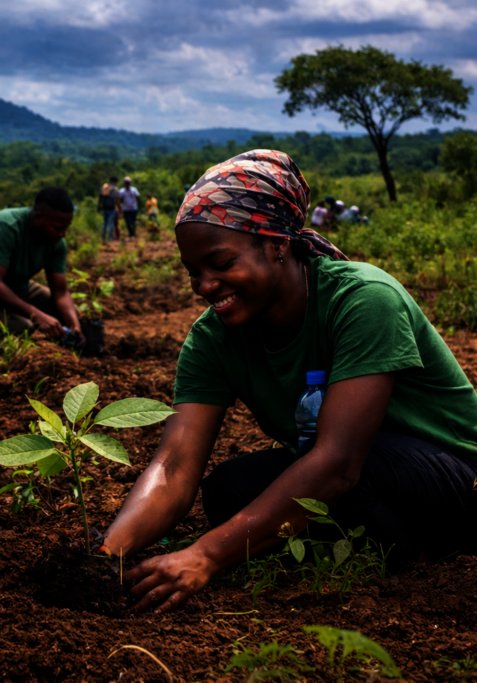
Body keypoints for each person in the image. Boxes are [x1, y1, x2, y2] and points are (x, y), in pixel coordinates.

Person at [100, 150, 477, 614]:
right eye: (194, 272)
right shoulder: (213, 339)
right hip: (356, 475)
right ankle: (357, 552)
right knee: (228, 488)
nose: (205, 285)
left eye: (220, 263)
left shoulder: (362, 300)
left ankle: (421, 563)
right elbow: (175, 468)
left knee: (341, 473)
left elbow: (338, 463)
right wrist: (107, 556)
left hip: (456, 479)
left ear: (277, 244)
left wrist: (205, 555)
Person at [0, 187, 84, 347]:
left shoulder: (56, 242)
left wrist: (75, 327)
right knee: (22, 329)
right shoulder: (8, 225)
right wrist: (37, 316)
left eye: (66, 228)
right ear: (38, 217)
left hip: (13, 287)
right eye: (57, 228)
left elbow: (60, 292)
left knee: (67, 316)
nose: (63, 234)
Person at [98, 176, 120, 243]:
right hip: (111, 208)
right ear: (115, 182)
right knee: (111, 224)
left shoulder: (104, 187)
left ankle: (103, 238)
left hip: (104, 208)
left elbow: (100, 198)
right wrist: (119, 208)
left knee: (105, 223)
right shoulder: (115, 189)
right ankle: (110, 239)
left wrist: (99, 207)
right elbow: (116, 200)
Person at [119, 177, 141, 241]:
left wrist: (138, 205)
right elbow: (120, 200)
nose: (127, 184)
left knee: (133, 222)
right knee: (128, 223)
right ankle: (131, 235)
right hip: (126, 209)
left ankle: (132, 235)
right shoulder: (122, 191)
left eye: (128, 183)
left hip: (134, 208)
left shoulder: (134, 189)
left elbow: (138, 197)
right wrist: (121, 208)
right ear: (124, 183)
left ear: (130, 183)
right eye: (126, 183)